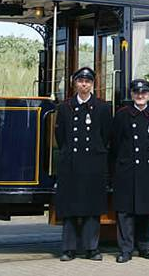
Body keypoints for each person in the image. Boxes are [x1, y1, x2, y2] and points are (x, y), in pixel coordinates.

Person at [54, 66, 111, 262]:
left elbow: (106, 136)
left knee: (92, 207)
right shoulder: (65, 107)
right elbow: (60, 137)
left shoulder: (103, 108)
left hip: (93, 164)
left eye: (87, 81)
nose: (84, 84)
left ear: (92, 84)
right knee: (69, 207)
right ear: (75, 83)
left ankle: (91, 248)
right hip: (71, 164)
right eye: (80, 81)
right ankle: (68, 249)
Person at [111, 79, 149, 263]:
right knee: (125, 212)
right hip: (128, 169)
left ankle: (145, 247)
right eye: (137, 92)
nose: (140, 95)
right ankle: (126, 250)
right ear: (132, 94)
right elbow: (116, 144)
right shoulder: (122, 115)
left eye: (144, 93)